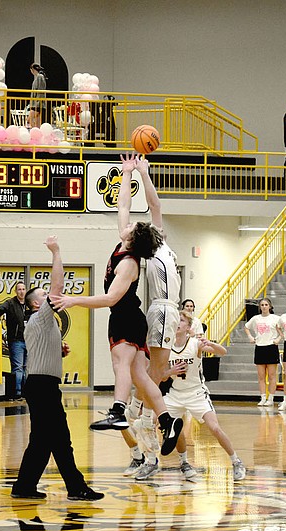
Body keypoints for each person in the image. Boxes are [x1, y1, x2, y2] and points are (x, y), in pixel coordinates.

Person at [50, 154, 184, 458]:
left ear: (133, 237)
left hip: (155, 310)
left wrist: (73, 300)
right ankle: (166, 419)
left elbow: (111, 299)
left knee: (134, 368)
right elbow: (123, 206)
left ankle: (121, 411)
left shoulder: (132, 261)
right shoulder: (127, 243)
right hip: (146, 312)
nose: (131, 221)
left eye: (134, 225)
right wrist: (127, 174)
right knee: (141, 375)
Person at [9, 236, 104, 501]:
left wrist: (56, 350)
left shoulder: (42, 323)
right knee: (60, 440)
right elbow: (58, 286)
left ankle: (24, 487)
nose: (51, 296)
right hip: (42, 387)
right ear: (37, 304)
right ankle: (76, 488)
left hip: (43, 385)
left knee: (42, 442)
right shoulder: (40, 317)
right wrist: (56, 252)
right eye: (44, 295)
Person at [126, 154, 183, 480]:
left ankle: (152, 416)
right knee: (149, 374)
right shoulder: (158, 249)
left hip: (162, 309)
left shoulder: (153, 248)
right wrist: (144, 174)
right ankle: (148, 416)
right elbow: (155, 205)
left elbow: (153, 205)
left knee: (152, 374)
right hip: (163, 310)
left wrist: (138, 174)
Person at [164, 310, 246, 482]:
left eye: (181, 320)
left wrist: (212, 344)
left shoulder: (195, 343)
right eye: (176, 320)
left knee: (214, 427)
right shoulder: (166, 346)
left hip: (196, 392)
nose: (178, 322)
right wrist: (170, 371)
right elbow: (161, 376)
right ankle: (184, 463)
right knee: (172, 427)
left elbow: (222, 352)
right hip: (175, 394)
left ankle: (236, 461)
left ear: (188, 326)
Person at [0, 281, 29, 400]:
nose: (21, 291)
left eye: (23, 289)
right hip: (16, 340)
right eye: (19, 289)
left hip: (29, 340)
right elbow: (0, 309)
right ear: (15, 291)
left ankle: (25, 391)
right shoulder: (10, 303)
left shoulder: (29, 304)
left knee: (26, 367)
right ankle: (17, 392)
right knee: (18, 367)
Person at [244, 297, 282, 407]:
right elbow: (246, 327)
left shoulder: (276, 318)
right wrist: (250, 337)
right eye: (262, 305)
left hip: (271, 347)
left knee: (272, 375)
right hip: (260, 347)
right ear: (260, 307)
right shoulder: (256, 319)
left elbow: (283, 330)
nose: (264, 307)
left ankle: (271, 398)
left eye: (266, 305)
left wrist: (278, 339)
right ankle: (262, 397)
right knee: (261, 376)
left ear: (270, 306)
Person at [27, 63, 47, 128]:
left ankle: (35, 131)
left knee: (29, 119)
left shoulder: (39, 77)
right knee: (37, 121)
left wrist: (38, 101)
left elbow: (40, 90)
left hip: (37, 102)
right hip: (37, 102)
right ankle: (37, 132)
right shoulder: (39, 77)